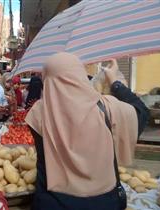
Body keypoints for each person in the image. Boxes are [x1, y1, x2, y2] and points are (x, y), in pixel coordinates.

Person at [25, 52, 149, 210]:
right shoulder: (108, 108)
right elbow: (142, 112)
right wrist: (115, 82)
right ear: (81, 75)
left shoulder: (39, 113)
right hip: (104, 202)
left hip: (53, 202)